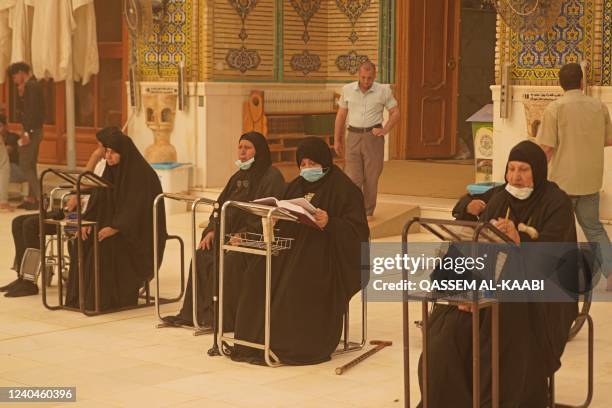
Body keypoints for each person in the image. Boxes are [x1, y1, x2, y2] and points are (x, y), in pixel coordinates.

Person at [419, 141, 578, 407]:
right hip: (492, 289)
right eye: (511, 169)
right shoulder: (500, 198)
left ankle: (494, 400)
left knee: (502, 323)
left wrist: (520, 242)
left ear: (538, 171)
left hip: (540, 297)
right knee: (445, 329)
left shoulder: (556, 202)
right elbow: (475, 246)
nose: (516, 177)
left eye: (524, 170)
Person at [231, 137, 370, 365]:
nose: (307, 169)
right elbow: (286, 214)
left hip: (326, 255)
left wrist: (330, 222)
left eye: (312, 163)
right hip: (291, 248)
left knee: (298, 280)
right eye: (302, 163)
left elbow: (358, 232)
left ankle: (290, 345)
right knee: (257, 273)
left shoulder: (345, 189)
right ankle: (253, 342)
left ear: (324, 161)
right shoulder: (296, 186)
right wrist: (275, 218)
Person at [162, 132, 285, 328]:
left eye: (248, 148)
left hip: (254, 240)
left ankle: (220, 318)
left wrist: (243, 236)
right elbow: (219, 206)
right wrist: (211, 229)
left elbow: (266, 213)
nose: (242, 152)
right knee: (203, 253)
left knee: (230, 261)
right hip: (227, 237)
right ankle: (196, 313)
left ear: (259, 150)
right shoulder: (237, 177)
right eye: (240, 147)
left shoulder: (272, 177)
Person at [65, 128, 167, 311]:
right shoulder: (111, 171)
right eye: (107, 152)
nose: (108, 156)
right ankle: (79, 298)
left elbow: (136, 209)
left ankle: (104, 300)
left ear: (123, 152)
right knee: (82, 240)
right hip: (116, 228)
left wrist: (115, 227)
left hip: (138, 237)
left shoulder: (141, 175)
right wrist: (87, 223)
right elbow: (99, 200)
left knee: (105, 245)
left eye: (112, 152)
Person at [537, 62, 612, 284]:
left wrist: (537, 177)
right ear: (582, 82)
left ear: (560, 84)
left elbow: (547, 148)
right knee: (594, 229)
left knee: (557, 229)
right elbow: (608, 139)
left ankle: (553, 276)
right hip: (590, 181)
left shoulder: (554, 109)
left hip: (562, 184)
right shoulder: (600, 107)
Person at [0, 144, 106, 297]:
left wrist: (95, 157)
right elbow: (81, 183)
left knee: (31, 225)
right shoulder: (101, 164)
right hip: (73, 210)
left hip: (85, 215)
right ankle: (22, 276)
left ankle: (30, 281)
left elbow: (88, 187)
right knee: (18, 221)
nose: (101, 150)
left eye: (103, 147)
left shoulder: (110, 167)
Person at [334, 61, 400, 220]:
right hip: (353, 136)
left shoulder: (383, 90)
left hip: (373, 137)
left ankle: (368, 211)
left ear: (374, 76)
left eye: (369, 78)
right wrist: (337, 139)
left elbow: (395, 112)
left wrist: (385, 129)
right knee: (353, 177)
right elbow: (341, 115)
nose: (366, 81)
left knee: (371, 177)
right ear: (358, 74)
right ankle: (354, 209)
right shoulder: (347, 90)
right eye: (363, 77)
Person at [7, 62, 45, 210]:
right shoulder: (31, 86)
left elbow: (33, 111)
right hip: (33, 130)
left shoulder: (32, 86)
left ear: (22, 72)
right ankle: (32, 199)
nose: (14, 80)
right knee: (31, 165)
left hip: (32, 131)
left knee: (25, 164)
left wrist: (28, 132)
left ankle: (41, 199)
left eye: (14, 76)